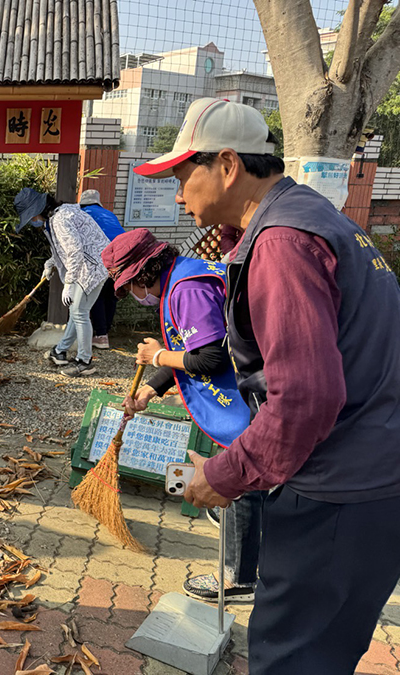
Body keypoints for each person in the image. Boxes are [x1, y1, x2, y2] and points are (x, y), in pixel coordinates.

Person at [136, 97, 400, 673]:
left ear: (227, 164)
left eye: (182, 177)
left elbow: (306, 397)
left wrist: (225, 474)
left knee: (291, 659)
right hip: (373, 479)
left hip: (335, 491)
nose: (178, 196)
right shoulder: (318, 218)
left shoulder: (282, 243)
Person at [103, 228, 258, 603]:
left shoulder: (186, 290)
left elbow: (208, 358)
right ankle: (248, 547)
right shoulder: (183, 274)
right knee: (245, 480)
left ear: (142, 273)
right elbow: (187, 349)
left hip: (250, 393)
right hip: (249, 388)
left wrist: (156, 355)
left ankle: (238, 578)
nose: (133, 294)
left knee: (244, 480)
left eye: (129, 286)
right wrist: (150, 389)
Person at [13, 187, 110, 377]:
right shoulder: (58, 216)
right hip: (92, 265)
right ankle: (60, 351)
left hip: (91, 268)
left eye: (31, 216)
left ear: (38, 210)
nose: (32, 221)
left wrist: (69, 283)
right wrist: (50, 264)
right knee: (76, 311)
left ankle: (85, 362)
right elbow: (63, 249)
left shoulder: (60, 220)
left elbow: (74, 252)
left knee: (79, 312)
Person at [79, 189, 125, 349]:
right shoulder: (109, 215)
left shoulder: (82, 214)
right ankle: (105, 333)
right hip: (120, 258)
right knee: (110, 295)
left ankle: (100, 335)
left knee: (96, 295)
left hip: (101, 258)